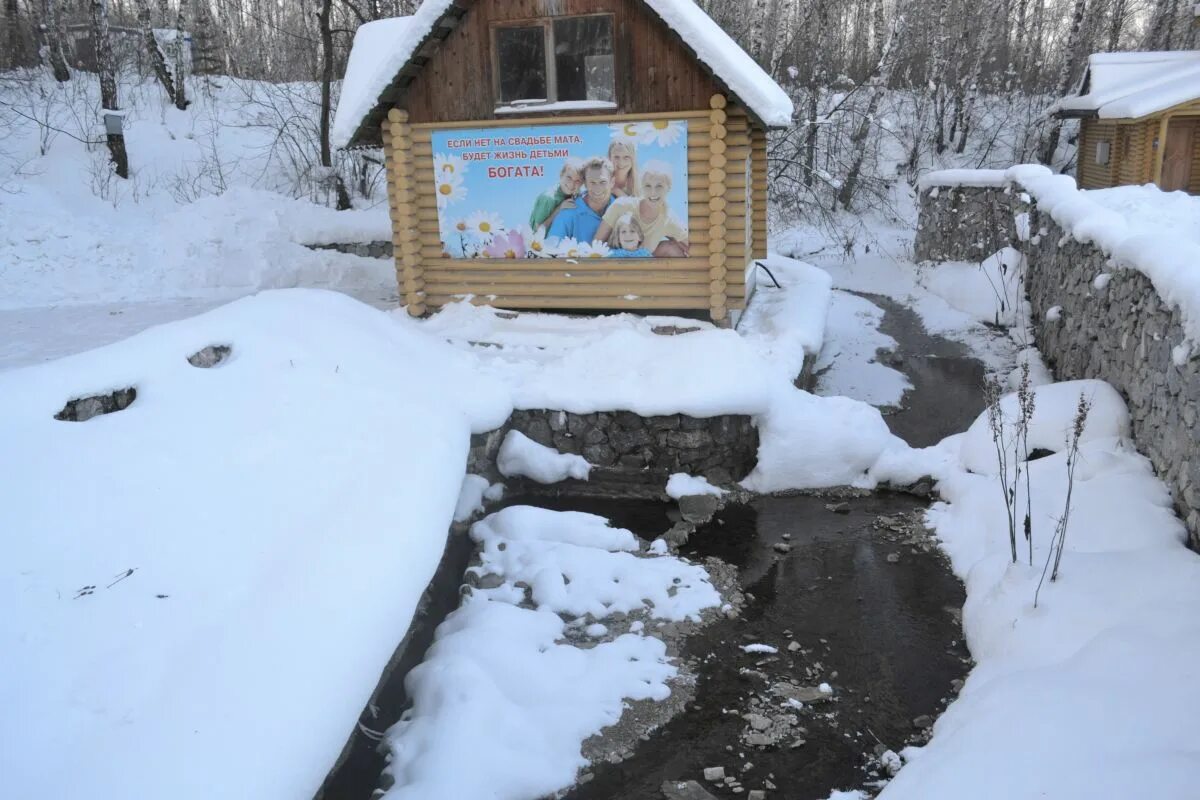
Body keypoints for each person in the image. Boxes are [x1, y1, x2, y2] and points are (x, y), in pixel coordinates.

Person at [593, 160, 688, 257]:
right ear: (641, 187)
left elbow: (691, 246)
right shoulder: (621, 206)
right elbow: (596, 244)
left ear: (669, 188)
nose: (653, 192)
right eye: (648, 186)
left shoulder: (669, 219)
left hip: (642, 262)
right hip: (614, 261)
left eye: (659, 186)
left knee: (672, 248)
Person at [547, 156, 615, 245]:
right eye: (592, 182)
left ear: (612, 182)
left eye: (603, 182)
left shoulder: (621, 210)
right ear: (585, 184)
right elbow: (551, 249)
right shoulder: (568, 213)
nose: (597, 188)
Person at [529, 157, 583, 232]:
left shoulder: (575, 196)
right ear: (561, 175)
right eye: (569, 177)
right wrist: (558, 209)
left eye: (577, 181)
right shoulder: (548, 198)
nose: (572, 184)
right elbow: (536, 231)